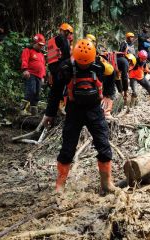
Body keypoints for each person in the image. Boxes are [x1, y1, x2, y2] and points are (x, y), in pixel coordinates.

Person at [43, 39, 116, 194]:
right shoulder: (66, 68)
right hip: (74, 111)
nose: (84, 65)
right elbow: (55, 91)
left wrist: (109, 95)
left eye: (86, 63)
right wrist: (50, 113)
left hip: (95, 110)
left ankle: (106, 183)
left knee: (103, 145)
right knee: (67, 149)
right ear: (75, 57)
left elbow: (113, 74)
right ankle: (60, 185)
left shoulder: (99, 65)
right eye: (81, 64)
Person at [20, 34, 46, 116]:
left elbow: (43, 66)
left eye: (42, 45)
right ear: (35, 43)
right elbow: (24, 60)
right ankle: (23, 109)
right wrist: (25, 70)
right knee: (31, 91)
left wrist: (43, 76)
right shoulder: (28, 50)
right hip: (31, 74)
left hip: (39, 76)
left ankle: (33, 112)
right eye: (39, 45)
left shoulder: (41, 55)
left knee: (37, 94)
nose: (41, 47)